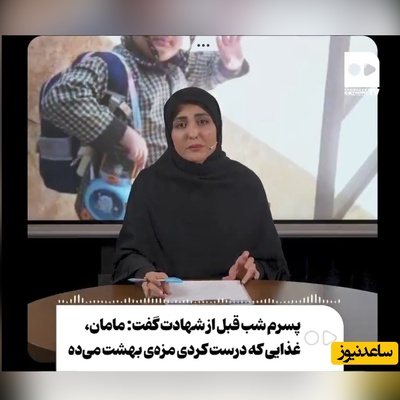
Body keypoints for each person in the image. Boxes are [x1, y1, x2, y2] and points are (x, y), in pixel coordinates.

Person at [40, 35, 249, 219]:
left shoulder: (179, 66)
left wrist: (231, 64)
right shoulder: (109, 65)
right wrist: (122, 134)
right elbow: (61, 97)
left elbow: (210, 68)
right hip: (118, 199)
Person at [112, 87, 290, 297]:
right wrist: (146, 273)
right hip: (166, 306)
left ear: (217, 128)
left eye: (203, 122)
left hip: (235, 309)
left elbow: (274, 265)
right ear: (169, 134)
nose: (193, 133)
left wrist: (253, 270)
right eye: (181, 125)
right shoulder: (148, 184)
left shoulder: (246, 184)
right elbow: (127, 257)